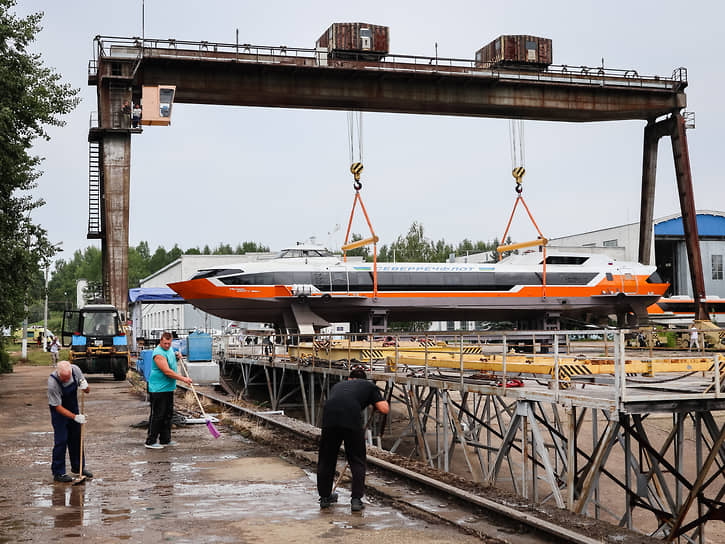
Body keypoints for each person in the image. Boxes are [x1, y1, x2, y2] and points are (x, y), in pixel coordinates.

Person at [317, 368, 389, 512]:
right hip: (351, 419)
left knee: (326, 458)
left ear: (349, 379)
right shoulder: (369, 386)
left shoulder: (338, 386)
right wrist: (374, 403)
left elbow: (340, 400)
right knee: (357, 459)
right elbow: (384, 409)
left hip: (329, 418)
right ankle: (356, 500)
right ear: (365, 379)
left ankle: (325, 498)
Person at [145, 332, 192, 449]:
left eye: (169, 343)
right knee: (158, 415)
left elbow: (170, 361)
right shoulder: (158, 354)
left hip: (168, 388)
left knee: (167, 414)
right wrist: (183, 379)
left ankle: (165, 439)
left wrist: (177, 356)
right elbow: (167, 371)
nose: (167, 345)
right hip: (158, 389)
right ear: (160, 341)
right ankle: (150, 441)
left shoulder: (169, 350)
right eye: (165, 343)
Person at [48, 360, 92, 483]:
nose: (66, 380)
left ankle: (79, 467)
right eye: (64, 378)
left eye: (68, 378)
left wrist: (85, 386)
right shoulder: (53, 383)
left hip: (73, 406)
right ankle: (59, 472)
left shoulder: (76, 370)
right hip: (59, 412)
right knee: (61, 440)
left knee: (77, 438)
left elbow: (87, 391)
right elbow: (57, 407)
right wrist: (75, 417)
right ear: (58, 373)